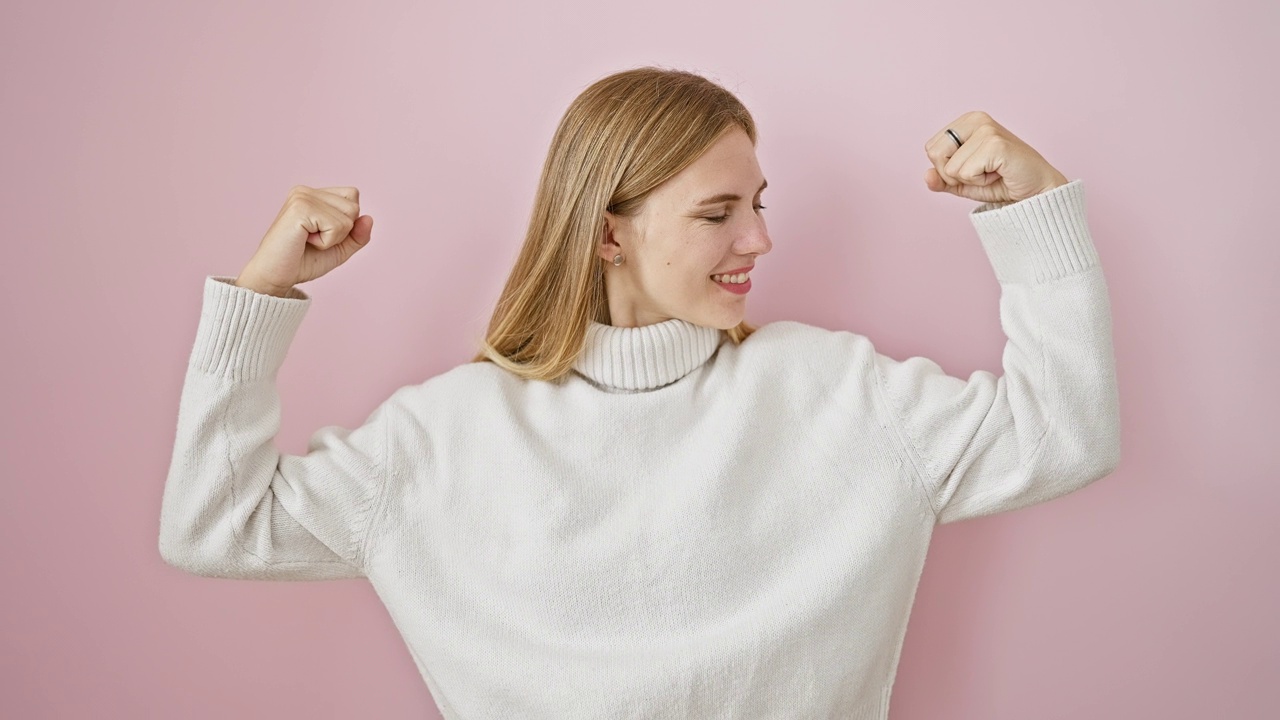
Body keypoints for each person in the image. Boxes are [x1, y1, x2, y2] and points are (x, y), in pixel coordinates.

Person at [158, 66, 1121, 719]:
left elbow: (1064, 433)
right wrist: (258, 296)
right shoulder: (445, 438)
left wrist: (1031, 211)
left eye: (759, 204)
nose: (760, 241)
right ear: (608, 233)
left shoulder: (835, 393)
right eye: (717, 213)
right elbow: (216, 525)